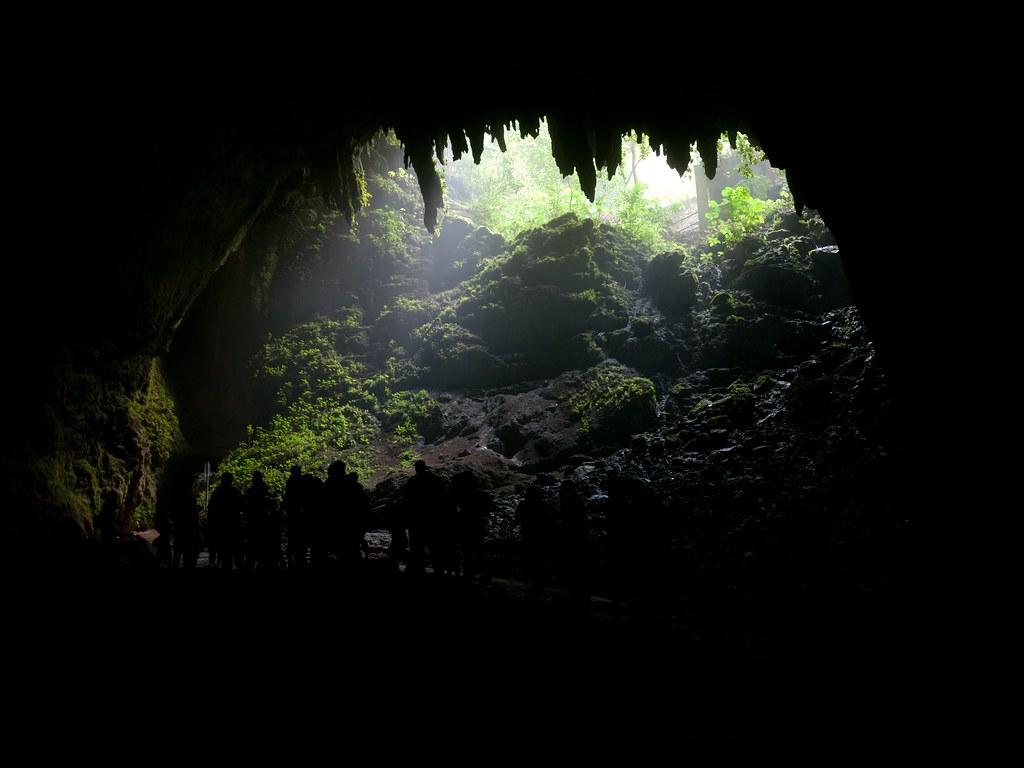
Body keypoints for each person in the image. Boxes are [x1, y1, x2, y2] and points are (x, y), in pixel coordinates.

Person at [401, 459, 453, 576]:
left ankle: (420, 569)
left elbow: (407, 500)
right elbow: (444, 497)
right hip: (433, 518)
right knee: (435, 546)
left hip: (417, 519)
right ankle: (438, 569)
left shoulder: (413, 481)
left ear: (417, 468)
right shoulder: (435, 479)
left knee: (417, 547)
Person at [452, 469, 492, 583]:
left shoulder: (464, 494)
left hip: (467, 524)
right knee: (477, 550)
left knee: (468, 551)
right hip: (477, 523)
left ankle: (469, 574)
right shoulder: (480, 494)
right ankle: (484, 574)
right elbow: (487, 509)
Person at [515, 482, 555, 597]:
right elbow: (550, 522)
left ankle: (534, 585)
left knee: (531, 561)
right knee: (540, 563)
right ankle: (540, 587)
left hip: (528, 535)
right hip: (540, 538)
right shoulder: (544, 506)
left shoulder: (523, 505)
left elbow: (517, 519)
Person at [206, 472, 244, 569]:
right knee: (237, 557)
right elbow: (243, 507)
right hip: (234, 527)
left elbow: (211, 511)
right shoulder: (235, 492)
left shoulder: (217, 493)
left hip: (221, 528)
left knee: (226, 557)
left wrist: (210, 526)